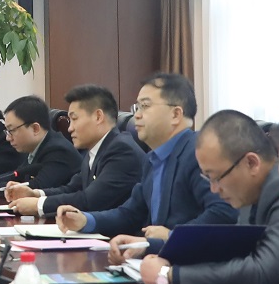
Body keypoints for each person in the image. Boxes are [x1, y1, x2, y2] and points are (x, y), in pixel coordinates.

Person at [126, 109, 279, 284]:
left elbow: (264, 271)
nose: (214, 189)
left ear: (251, 163)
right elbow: (229, 251)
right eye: (208, 178)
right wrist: (150, 247)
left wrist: (169, 276)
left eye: (217, 177)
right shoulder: (250, 192)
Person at [55, 73, 234, 237]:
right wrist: (86, 220)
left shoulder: (198, 153)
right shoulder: (152, 159)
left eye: (145, 106)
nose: (137, 116)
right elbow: (130, 213)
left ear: (175, 114)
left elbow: (223, 212)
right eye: (137, 108)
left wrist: (173, 236)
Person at [4, 84, 145, 218]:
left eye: (74, 119)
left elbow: (90, 200)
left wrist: (38, 205)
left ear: (98, 117)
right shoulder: (96, 150)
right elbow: (71, 189)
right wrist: (35, 194)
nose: (70, 128)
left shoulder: (121, 150)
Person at [0, 95, 82, 194]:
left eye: (12, 130)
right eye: (7, 131)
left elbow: (38, 187)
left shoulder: (58, 150)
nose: (8, 137)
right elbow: (16, 175)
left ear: (35, 128)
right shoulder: (34, 148)